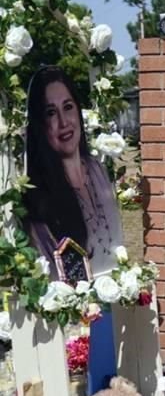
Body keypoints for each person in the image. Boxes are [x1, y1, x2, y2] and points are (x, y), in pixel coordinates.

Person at [24, 66, 123, 279]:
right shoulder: (38, 195)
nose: (63, 122)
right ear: (41, 125)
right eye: (51, 113)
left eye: (68, 107)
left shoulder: (97, 169)